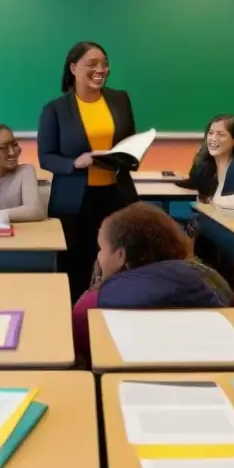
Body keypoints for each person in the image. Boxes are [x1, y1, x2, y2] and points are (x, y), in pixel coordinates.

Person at [38, 41, 137, 302]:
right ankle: (75, 319)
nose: (101, 69)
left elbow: (129, 140)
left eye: (104, 64)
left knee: (122, 262)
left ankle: (115, 313)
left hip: (118, 195)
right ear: (73, 68)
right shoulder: (55, 109)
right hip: (76, 201)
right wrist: (73, 163)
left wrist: (132, 154)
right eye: (92, 64)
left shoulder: (120, 99)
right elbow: (46, 157)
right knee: (78, 265)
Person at [72, 202, 231, 362]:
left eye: (102, 249)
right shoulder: (208, 278)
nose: (99, 256)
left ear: (120, 255)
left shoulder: (90, 307)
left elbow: (82, 356)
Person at [179, 114, 234, 202]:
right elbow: (192, 182)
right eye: (210, 133)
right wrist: (199, 158)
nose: (213, 139)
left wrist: (220, 201)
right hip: (207, 215)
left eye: (221, 135)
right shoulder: (207, 164)